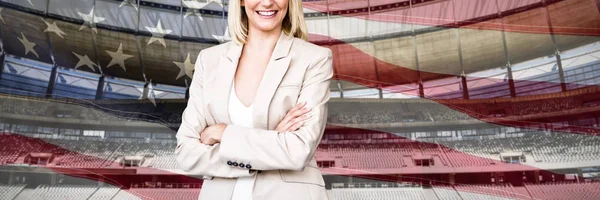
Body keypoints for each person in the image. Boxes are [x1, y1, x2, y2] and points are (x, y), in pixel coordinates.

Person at [174, 0, 333, 198]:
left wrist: (223, 134)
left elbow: (298, 150)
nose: (267, 3)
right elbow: (187, 154)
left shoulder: (314, 59)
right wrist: (273, 140)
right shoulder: (209, 60)